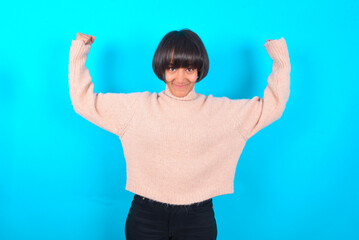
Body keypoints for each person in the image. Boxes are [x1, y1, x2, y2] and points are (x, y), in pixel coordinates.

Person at [68, 29, 291, 240]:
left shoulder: (221, 112)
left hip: (198, 218)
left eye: (189, 69)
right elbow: (85, 102)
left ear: (199, 71)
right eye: (173, 68)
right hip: (145, 216)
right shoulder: (137, 108)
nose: (181, 78)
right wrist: (80, 50)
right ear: (162, 69)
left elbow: (272, 107)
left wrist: (280, 60)